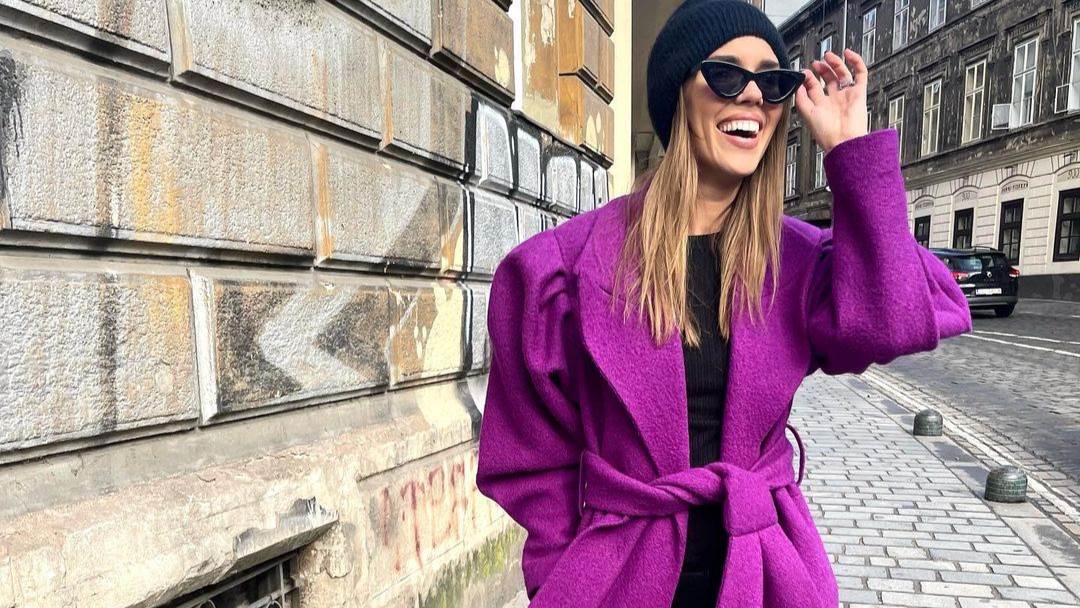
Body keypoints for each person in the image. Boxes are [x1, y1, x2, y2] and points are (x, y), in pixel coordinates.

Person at [475, 1, 973, 607]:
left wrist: (851, 153)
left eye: (772, 81)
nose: (753, 96)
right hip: (618, 582)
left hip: (762, 577)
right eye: (727, 74)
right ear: (678, 94)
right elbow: (528, 458)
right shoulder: (562, 270)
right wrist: (565, 574)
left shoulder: (795, 260)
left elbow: (895, 320)